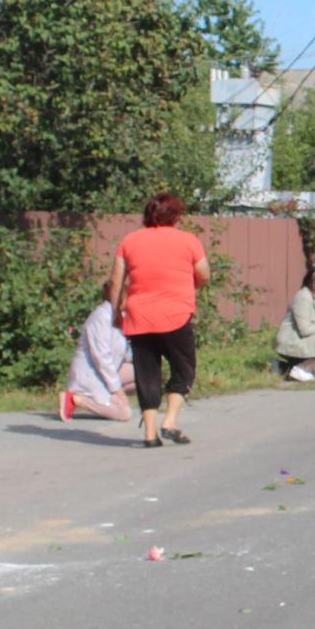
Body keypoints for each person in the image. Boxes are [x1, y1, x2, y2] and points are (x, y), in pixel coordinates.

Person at [111, 192, 209, 448]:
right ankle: (170, 421)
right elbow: (204, 274)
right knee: (184, 369)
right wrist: (190, 285)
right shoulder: (188, 241)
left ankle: (150, 434)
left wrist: (115, 314)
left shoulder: (130, 241)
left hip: (139, 316)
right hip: (175, 314)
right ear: (175, 216)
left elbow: (115, 281)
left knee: (147, 374)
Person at [60, 281, 135, 422]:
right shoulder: (101, 317)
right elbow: (101, 358)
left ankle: (108, 399)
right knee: (124, 414)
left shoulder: (119, 317)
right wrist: (117, 391)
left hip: (105, 373)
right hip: (91, 375)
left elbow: (123, 353)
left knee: (144, 373)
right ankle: (77, 399)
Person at [275, 268, 315, 382]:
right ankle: (300, 368)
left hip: (303, 342)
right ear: (314, 284)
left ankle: (281, 367)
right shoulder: (302, 298)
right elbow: (304, 329)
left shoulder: (312, 298)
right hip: (291, 342)